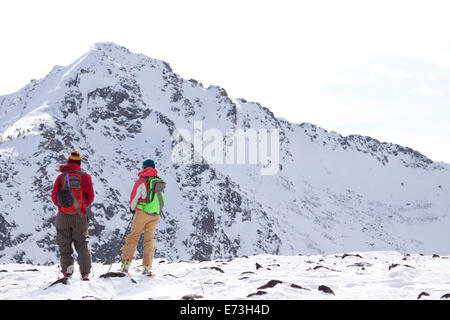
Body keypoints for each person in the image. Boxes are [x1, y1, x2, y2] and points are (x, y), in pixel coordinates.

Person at [51, 150, 94, 280]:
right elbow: (91, 197)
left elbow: (54, 197)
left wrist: (62, 207)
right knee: (82, 244)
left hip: (63, 216)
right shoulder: (85, 176)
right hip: (79, 216)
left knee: (64, 245)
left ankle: (67, 273)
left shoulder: (61, 177)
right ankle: (85, 273)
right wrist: (82, 206)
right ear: (79, 163)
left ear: (68, 162)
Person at [120, 159, 165, 276]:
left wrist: (132, 208)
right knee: (149, 240)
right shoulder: (158, 181)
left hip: (142, 212)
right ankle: (147, 268)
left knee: (133, 238)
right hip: (155, 214)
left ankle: (125, 265)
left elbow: (134, 197)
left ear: (144, 167)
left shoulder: (142, 181)